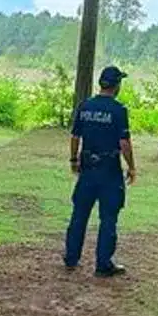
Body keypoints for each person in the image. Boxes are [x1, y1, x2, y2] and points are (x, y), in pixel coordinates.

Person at [63, 65, 137, 278]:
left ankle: (71, 257)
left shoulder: (85, 106)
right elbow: (124, 142)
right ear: (116, 85)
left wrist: (73, 159)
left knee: (79, 214)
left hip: (87, 168)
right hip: (109, 169)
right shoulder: (118, 110)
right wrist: (131, 167)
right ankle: (103, 264)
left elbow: (75, 136)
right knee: (108, 217)